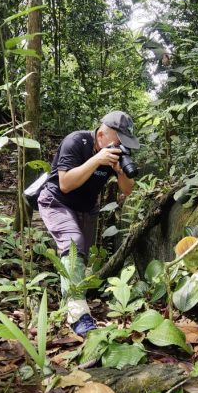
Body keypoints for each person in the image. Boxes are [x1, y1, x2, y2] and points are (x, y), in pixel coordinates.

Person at [38, 111, 139, 338]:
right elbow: (64, 184)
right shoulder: (77, 141)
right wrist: (97, 160)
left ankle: (69, 297)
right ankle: (77, 315)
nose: (121, 147)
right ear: (101, 135)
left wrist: (120, 170)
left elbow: (127, 189)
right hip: (56, 201)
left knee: (79, 256)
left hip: (86, 209)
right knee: (73, 244)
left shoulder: (115, 155)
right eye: (118, 142)